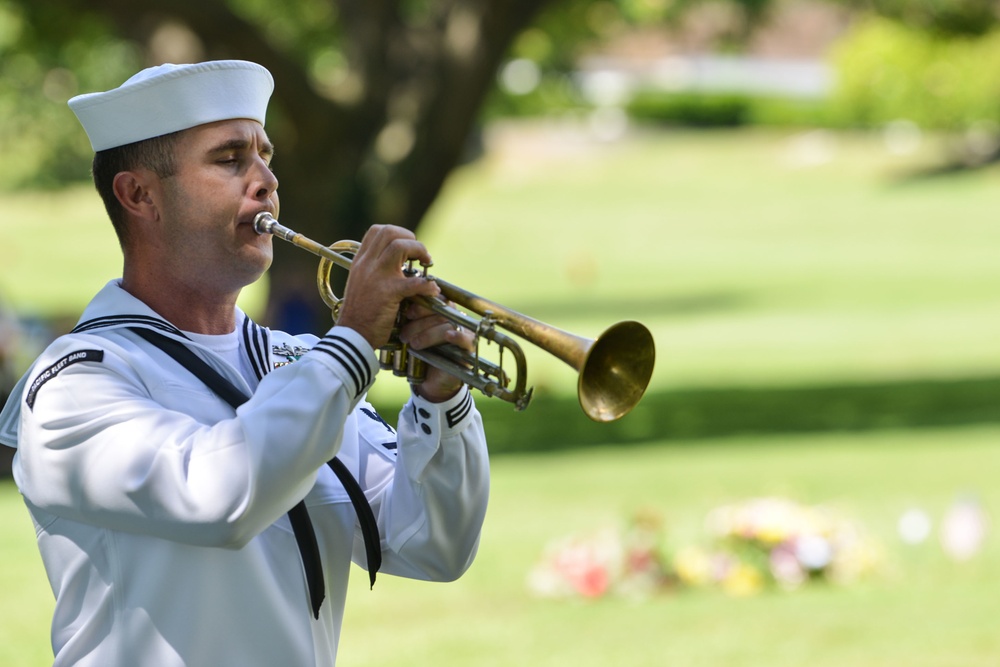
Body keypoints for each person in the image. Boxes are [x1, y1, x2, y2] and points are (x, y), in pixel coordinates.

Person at [0, 60, 490, 667]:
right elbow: (219, 497)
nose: (265, 180)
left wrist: (443, 401)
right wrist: (355, 340)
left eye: (265, 156)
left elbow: (431, 545)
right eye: (230, 159)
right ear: (139, 195)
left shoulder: (300, 364)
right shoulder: (75, 384)